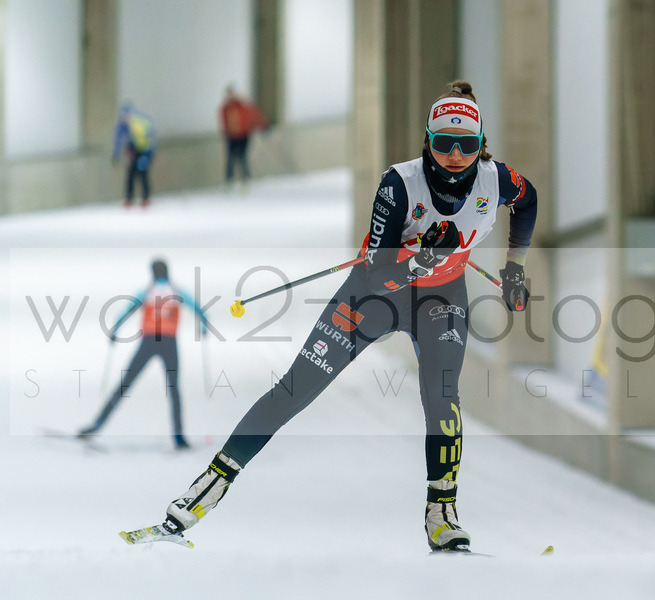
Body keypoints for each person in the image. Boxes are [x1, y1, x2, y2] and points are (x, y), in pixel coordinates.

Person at [151, 81, 537, 551]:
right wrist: (419, 260)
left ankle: (442, 513)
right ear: (427, 141)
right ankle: (207, 489)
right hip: (374, 295)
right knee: (296, 387)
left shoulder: (498, 180)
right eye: (443, 143)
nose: (455, 155)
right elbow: (377, 275)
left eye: (467, 145)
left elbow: (528, 201)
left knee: (443, 397)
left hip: (441, 298)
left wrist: (515, 267)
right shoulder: (399, 184)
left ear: (481, 145)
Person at [79, 259, 211, 449]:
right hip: (169, 342)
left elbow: (127, 311)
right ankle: (179, 437)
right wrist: (204, 327)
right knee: (174, 389)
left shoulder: (147, 292)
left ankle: (97, 425)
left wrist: (115, 331)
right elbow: (200, 310)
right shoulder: (177, 292)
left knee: (125, 384)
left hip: (149, 341)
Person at [219, 85, 268, 185]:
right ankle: (229, 179)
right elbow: (224, 122)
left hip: (243, 135)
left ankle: (246, 178)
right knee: (231, 158)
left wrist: (263, 126)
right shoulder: (225, 109)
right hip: (231, 136)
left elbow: (253, 116)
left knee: (242, 157)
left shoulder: (243, 107)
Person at [112, 101, 157, 207]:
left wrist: (115, 155)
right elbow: (152, 136)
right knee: (139, 173)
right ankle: (142, 198)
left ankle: (133, 198)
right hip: (145, 152)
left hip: (138, 152)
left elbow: (118, 139)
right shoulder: (142, 119)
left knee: (135, 173)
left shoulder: (125, 124)